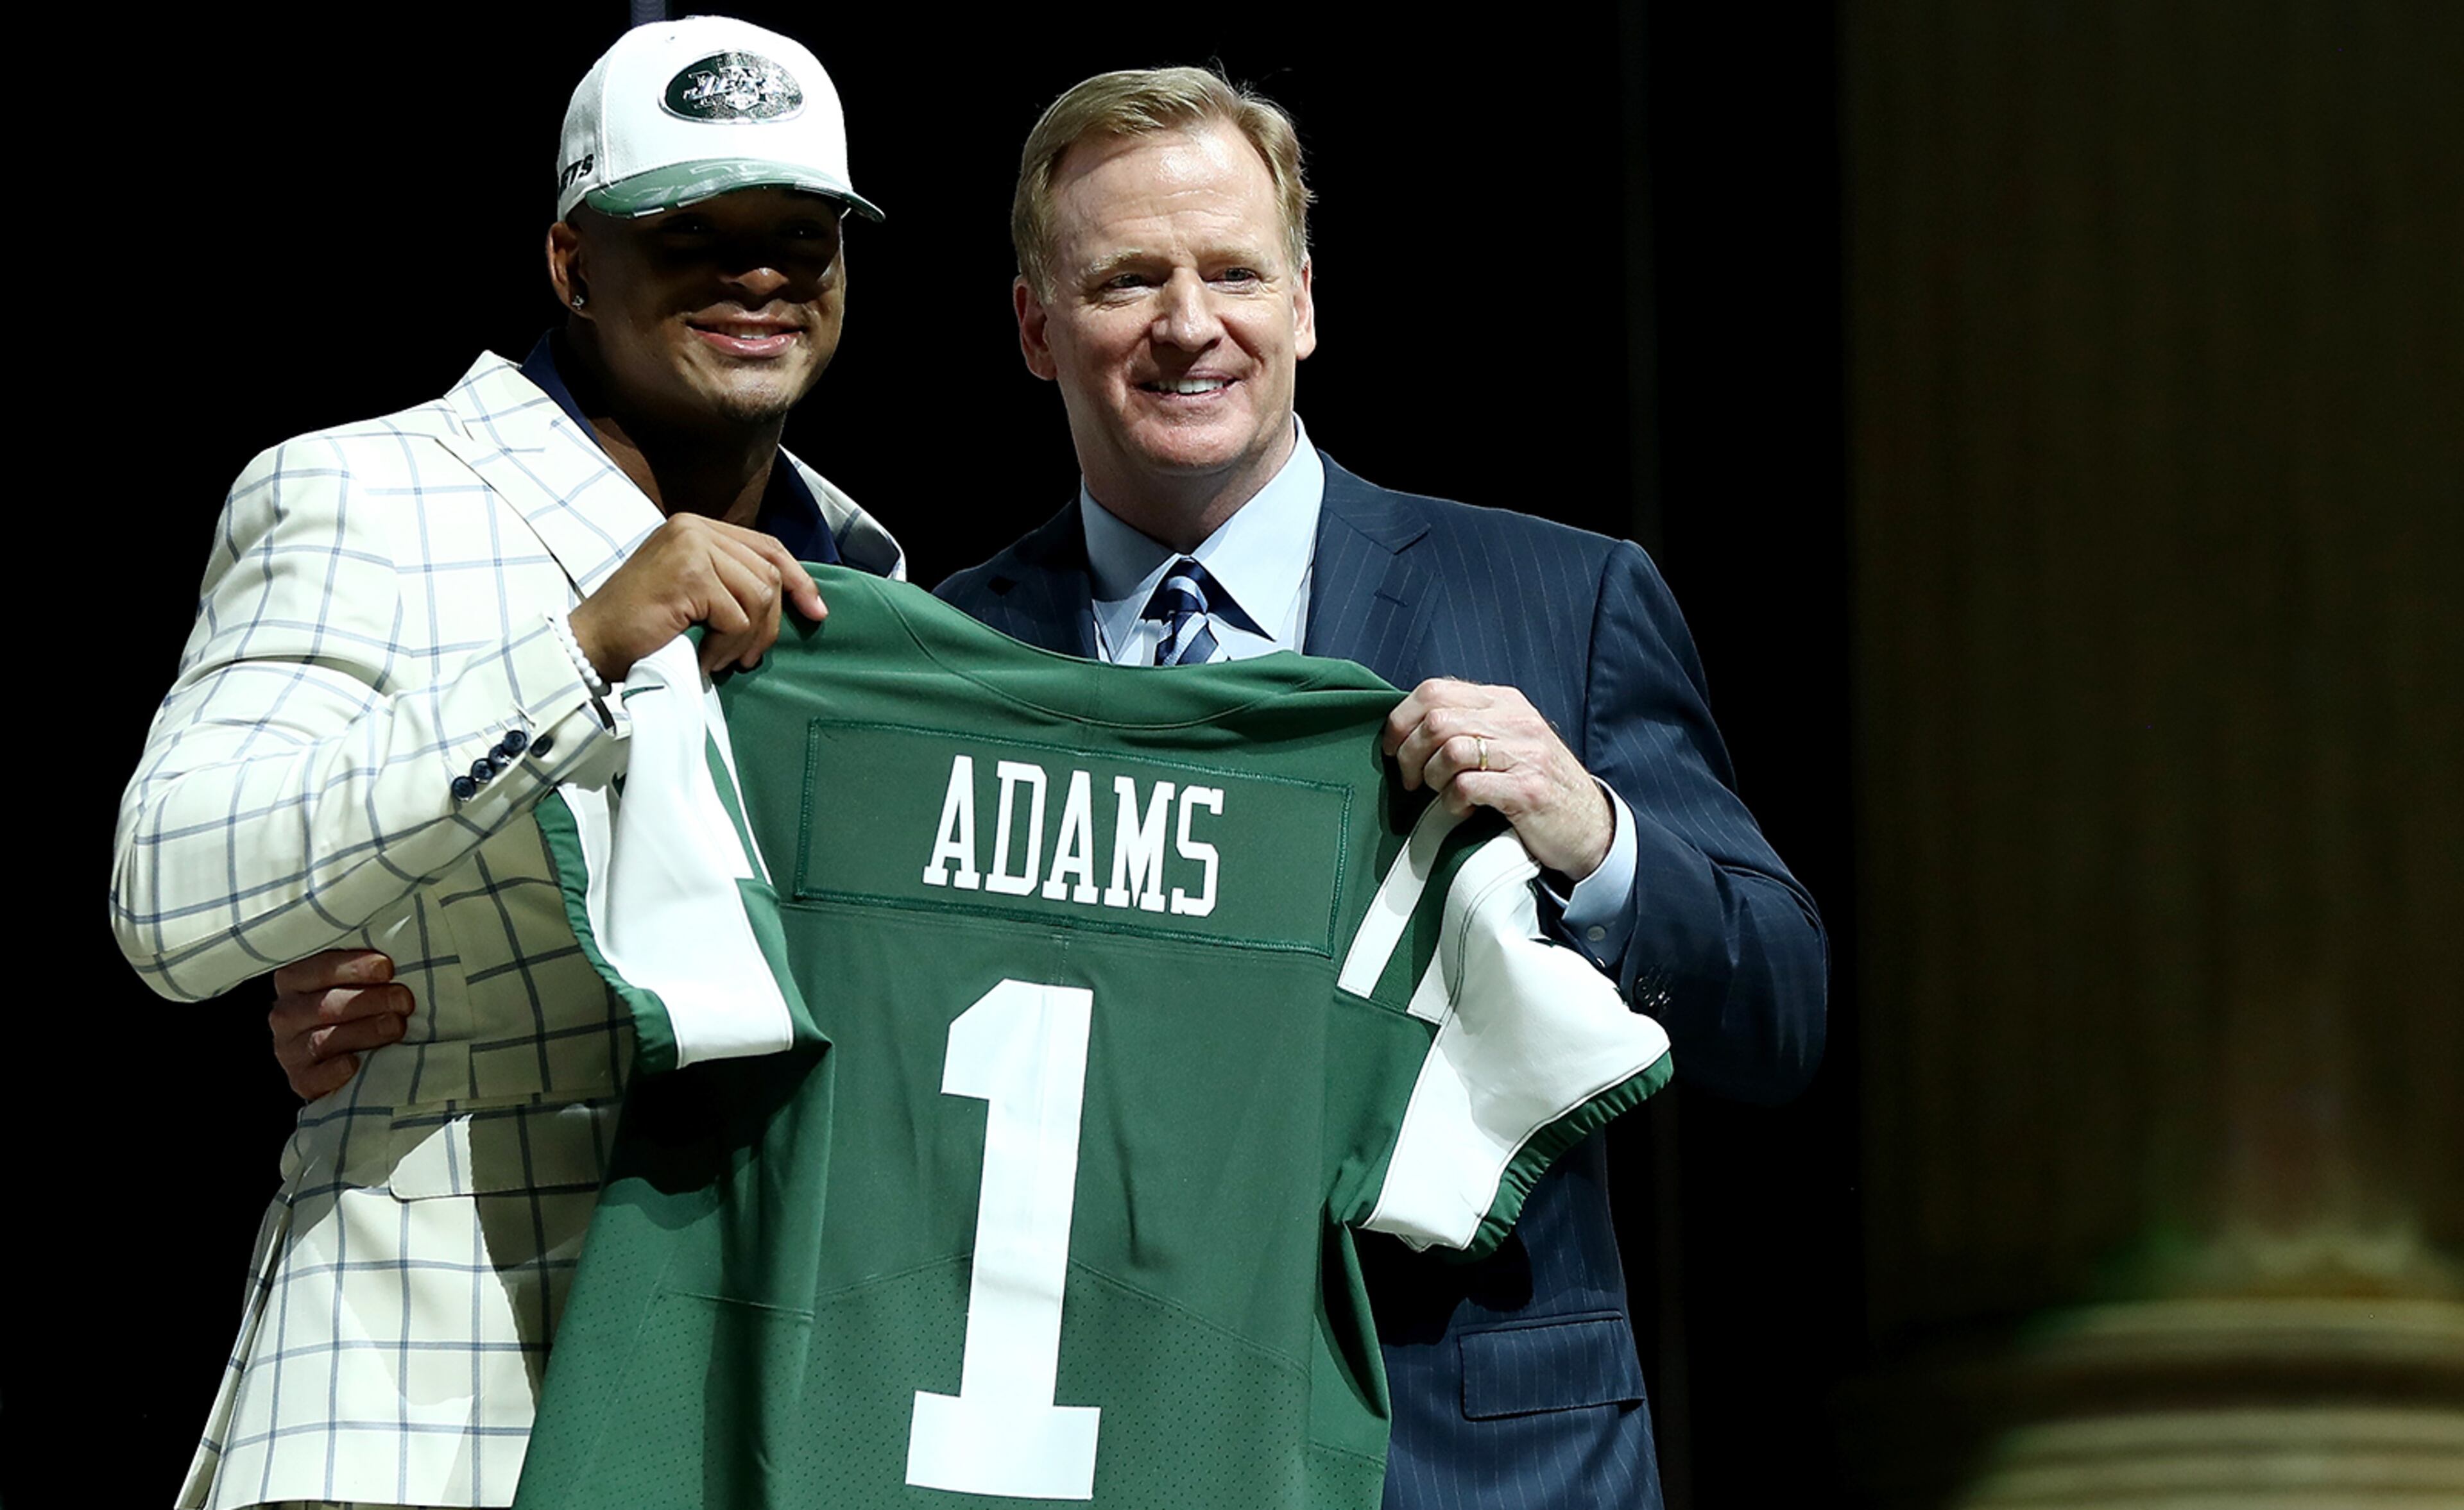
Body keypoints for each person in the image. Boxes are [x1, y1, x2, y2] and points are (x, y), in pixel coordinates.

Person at [930, 68, 1827, 1509]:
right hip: (1085, 1449)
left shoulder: (1562, 597)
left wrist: (1593, 836)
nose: (1187, 323)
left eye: (1232, 270)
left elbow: (1779, 1012)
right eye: (1126, 280)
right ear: (1036, 326)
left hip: (1479, 1460)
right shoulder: (951, 656)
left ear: (1303, 303)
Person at [109, 18, 900, 1509]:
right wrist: (584, 648)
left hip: (744, 1413)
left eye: (801, 238)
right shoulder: (361, 487)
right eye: (691, 232)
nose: (757, 277)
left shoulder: (862, 576)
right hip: (421, 1408)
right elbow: (169, 894)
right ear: (570, 263)